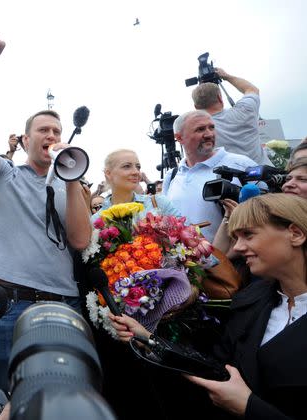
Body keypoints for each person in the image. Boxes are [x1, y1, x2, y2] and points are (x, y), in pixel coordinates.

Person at [0, 29, 91, 390]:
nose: (51, 136)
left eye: (57, 131)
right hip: (12, 305)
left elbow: (79, 239)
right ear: (26, 138)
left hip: (65, 304)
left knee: (65, 397)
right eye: (43, 130)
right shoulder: (5, 176)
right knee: (6, 395)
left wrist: (72, 174)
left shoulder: (70, 184)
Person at [185, 194, 307, 419]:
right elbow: (218, 366)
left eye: (248, 235)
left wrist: (249, 408)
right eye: (235, 237)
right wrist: (149, 340)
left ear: (295, 234)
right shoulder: (251, 300)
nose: (238, 248)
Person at [163, 110, 257, 242]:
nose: (209, 134)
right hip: (185, 261)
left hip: (233, 259)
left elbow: (265, 213)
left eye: (211, 127)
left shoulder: (241, 164)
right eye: (200, 129)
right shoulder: (171, 176)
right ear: (179, 138)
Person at [192, 69, 271, 166]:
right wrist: (226, 76)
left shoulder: (198, 131)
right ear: (220, 98)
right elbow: (252, 89)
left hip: (229, 180)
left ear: (196, 107)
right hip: (264, 175)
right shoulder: (245, 110)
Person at [91, 149, 180, 222]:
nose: (136, 172)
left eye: (138, 167)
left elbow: (186, 236)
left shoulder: (159, 203)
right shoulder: (97, 220)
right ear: (108, 173)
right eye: (126, 166)